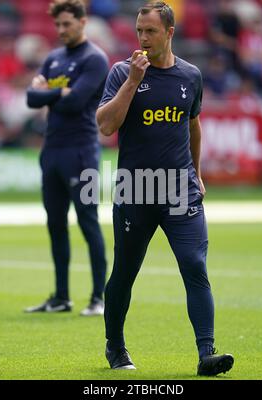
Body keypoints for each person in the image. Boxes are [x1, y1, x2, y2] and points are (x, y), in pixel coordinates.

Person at [96, 2, 234, 375]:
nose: (142, 38)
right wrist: (132, 83)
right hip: (136, 191)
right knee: (125, 272)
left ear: (169, 33)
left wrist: (198, 173)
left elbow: (193, 125)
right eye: (139, 30)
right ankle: (116, 347)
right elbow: (106, 126)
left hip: (180, 190)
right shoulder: (122, 72)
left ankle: (207, 353)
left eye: (150, 31)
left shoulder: (191, 75)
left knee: (194, 264)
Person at [25, 0, 108, 316]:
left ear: (83, 22)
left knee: (88, 223)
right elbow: (31, 98)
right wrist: (59, 94)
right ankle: (61, 297)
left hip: (82, 152)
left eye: (67, 24)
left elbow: (76, 104)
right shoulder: (54, 58)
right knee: (55, 224)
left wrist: (54, 94)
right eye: (58, 25)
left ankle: (98, 298)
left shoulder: (95, 59)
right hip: (53, 151)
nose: (61, 31)